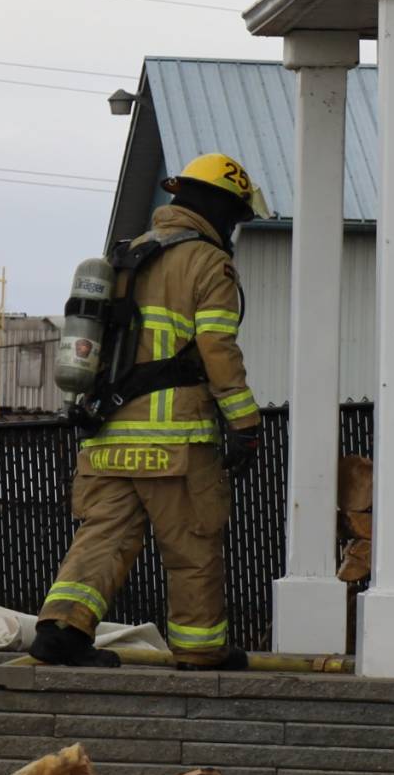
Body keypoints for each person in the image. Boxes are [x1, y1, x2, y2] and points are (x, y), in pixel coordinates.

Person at [31, 153, 268, 671]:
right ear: (222, 208)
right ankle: (201, 648)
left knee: (103, 537)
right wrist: (245, 424)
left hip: (106, 438)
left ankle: (60, 631)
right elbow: (217, 349)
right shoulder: (208, 263)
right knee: (193, 541)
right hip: (174, 443)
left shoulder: (123, 256)